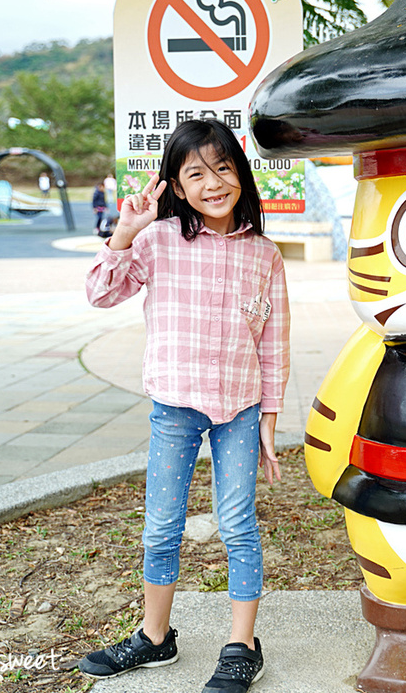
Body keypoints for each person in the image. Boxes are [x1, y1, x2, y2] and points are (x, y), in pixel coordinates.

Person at [80, 119, 290, 693]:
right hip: (174, 407)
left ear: (242, 177)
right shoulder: (156, 241)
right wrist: (124, 233)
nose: (213, 183)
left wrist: (271, 418)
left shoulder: (264, 254)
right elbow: (100, 293)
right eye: (196, 173)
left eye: (224, 168)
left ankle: (243, 646)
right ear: (175, 185)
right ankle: (154, 638)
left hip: (240, 409)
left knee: (237, 524)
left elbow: (274, 344)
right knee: (161, 527)